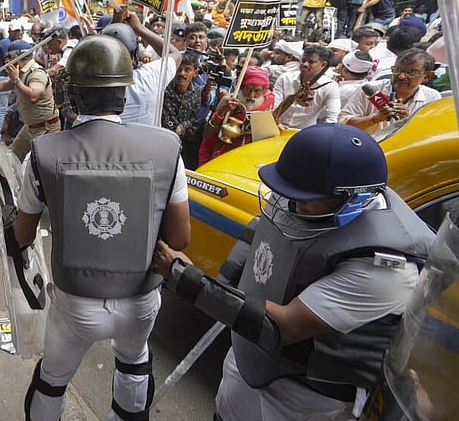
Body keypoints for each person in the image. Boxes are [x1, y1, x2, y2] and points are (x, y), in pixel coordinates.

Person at [152, 123, 434, 420]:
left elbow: (287, 327)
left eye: (305, 197)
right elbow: (261, 238)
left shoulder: (384, 268)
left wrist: (187, 278)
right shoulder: (303, 197)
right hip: (251, 352)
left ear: (352, 196)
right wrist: (221, 286)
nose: (293, 203)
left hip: (301, 391)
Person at [15, 36, 190, 420]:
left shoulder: (42, 153)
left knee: (53, 379)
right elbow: (179, 240)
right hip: (140, 299)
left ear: (74, 96)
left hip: (75, 301)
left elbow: (23, 234)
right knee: (133, 361)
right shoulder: (167, 147)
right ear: (124, 95)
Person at [340, 48, 442, 139]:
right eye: (397, 70)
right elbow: (343, 126)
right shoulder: (370, 90)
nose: (401, 76)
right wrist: (375, 119)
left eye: (411, 72)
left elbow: (431, 134)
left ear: (427, 76)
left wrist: (407, 121)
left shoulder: (432, 97)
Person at [0, 40, 59, 161]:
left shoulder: (36, 73)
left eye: (10, 58)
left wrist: (16, 80)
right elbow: (4, 86)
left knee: (43, 162)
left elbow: (34, 96)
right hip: (30, 126)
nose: (7, 61)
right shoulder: (21, 72)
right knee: (14, 156)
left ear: (17, 57)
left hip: (45, 128)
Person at [199, 66, 275, 165]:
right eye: (248, 89)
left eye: (257, 90)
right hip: (223, 157)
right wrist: (223, 111)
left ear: (264, 90)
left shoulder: (268, 104)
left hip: (249, 161)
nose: (251, 95)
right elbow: (208, 135)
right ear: (241, 87)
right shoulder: (229, 100)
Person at [273, 45, 340, 129]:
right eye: (303, 60)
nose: (305, 64)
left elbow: (332, 118)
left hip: (305, 133)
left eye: (311, 62)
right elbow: (274, 105)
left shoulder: (330, 86)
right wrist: (275, 123)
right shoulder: (285, 78)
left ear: (323, 64)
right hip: (277, 127)